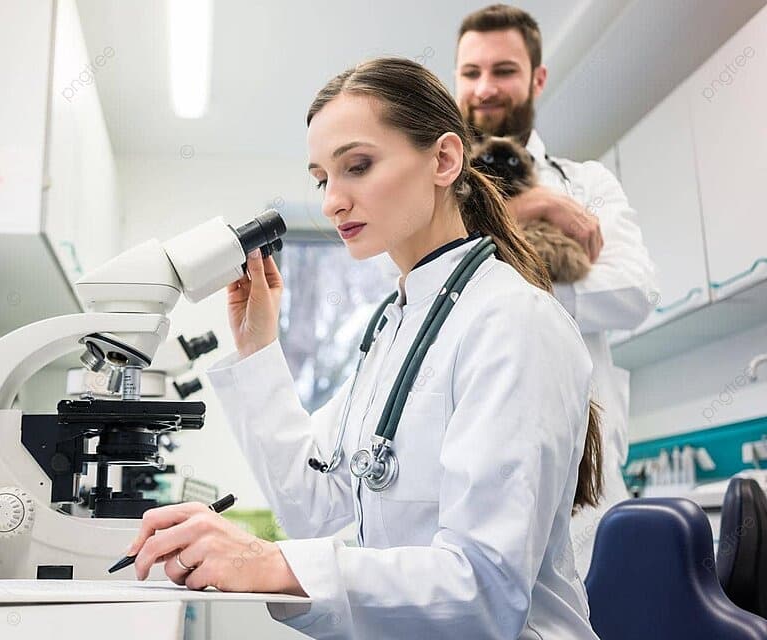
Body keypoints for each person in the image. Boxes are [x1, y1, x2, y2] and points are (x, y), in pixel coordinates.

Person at [124, 57, 603, 639]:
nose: (332, 202)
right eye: (322, 179)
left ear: (444, 160)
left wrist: (267, 562)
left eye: (358, 166)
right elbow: (316, 511)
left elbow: (483, 589)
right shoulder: (395, 328)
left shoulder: (513, 321)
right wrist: (257, 350)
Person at [454, 4, 656, 576]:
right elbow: (428, 285)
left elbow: (634, 290)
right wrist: (529, 208)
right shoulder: (433, 191)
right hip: (467, 475)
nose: (485, 88)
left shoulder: (586, 183)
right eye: (471, 72)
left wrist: (512, 284)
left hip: (583, 493)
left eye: (504, 70)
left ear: (537, 78)